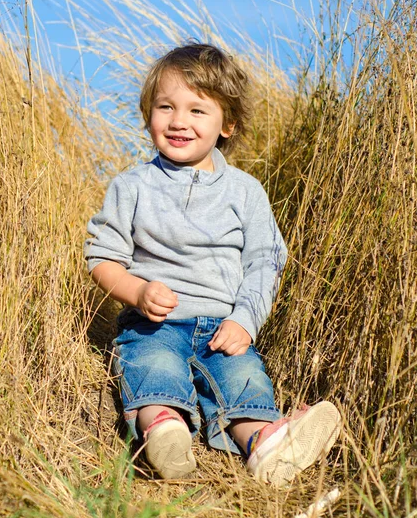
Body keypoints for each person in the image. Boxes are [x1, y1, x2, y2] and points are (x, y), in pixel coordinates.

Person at [84, 43, 340, 485]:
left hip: (224, 328)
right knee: (153, 369)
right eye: (165, 107)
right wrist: (138, 293)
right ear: (149, 116)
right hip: (154, 324)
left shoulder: (245, 192)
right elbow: (102, 259)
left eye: (197, 110)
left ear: (229, 123)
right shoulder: (133, 185)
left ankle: (264, 444)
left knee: (243, 380)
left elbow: (265, 262)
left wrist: (245, 320)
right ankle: (164, 431)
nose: (179, 121)